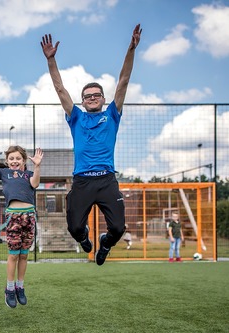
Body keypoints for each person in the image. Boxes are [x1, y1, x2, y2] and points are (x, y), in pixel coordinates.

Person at [40, 24, 142, 265]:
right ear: (83, 101)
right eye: (88, 96)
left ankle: (105, 243)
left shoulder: (112, 115)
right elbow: (59, 88)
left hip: (106, 179)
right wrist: (51, 61)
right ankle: (85, 237)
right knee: (74, 227)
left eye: (97, 94)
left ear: (104, 99)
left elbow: (124, 80)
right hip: (83, 180)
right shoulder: (76, 117)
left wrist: (131, 49)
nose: (93, 97)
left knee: (118, 228)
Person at [0, 146, 43, 308]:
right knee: (13, 255)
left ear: (24, 161)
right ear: (7, 161)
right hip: (13, 217)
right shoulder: (4, 173)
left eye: (18, 158)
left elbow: (35, 184)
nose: (14, 161)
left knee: (24, 255)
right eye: (11, 159)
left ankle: (20, 286)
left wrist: (37, 166)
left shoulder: (29, 175)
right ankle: (9, 289)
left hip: (29, 216)